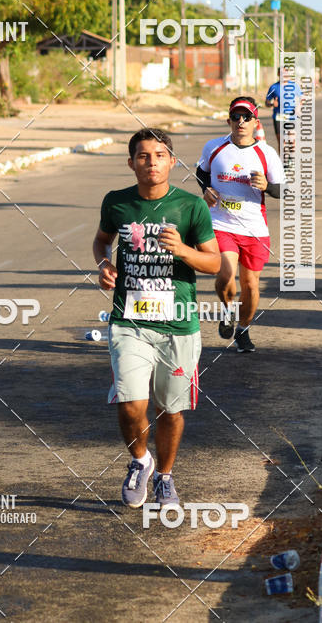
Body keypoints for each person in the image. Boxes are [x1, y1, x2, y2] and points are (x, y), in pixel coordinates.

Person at [93, 128, 220, 510]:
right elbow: (102, 240)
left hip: (179, 324)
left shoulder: (190, 207)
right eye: (143, 156)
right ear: (131, 162)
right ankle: (139, 461)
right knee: (130, 403)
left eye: (159, 155)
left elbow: (214, 262)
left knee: (171, 409)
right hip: (129, 321)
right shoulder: (117, 202)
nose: (151, 162)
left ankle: (164, 475)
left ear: (172, 161)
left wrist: (182, 250)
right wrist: (103, 263)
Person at [196, 97, 284, 353]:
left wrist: (267, 186)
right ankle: (226, 310)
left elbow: (281, 190)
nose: (241, 122)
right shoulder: (214, 147)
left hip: (254, 228)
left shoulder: (266, 153)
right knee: (224, 274)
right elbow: (202, 172)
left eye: (247, 117)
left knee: (251, 285)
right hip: (221, 222)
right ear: (229, 120)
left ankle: (243, 329)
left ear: (256, 122)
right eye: (236, 117)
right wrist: (207, 190)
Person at [265, 68, 303, 153]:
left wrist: (298, 107)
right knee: (281, 141)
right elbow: (266, 102)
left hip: (291, 116)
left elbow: (302, 98)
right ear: (278, 74)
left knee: (291, 139)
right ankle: (282, 162)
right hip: (278, 116)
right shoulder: (273, 87)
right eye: (282, 73)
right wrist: (271, 104)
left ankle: (291, 159)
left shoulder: (294, 86)